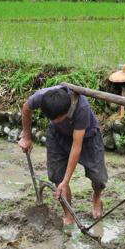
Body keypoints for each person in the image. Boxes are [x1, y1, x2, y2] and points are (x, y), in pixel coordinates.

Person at [18, 86, 108, 226]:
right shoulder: (41, 97)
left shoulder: (81, 108)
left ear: (67, 111)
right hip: (57, 135)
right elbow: (26, 108)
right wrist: (27, 137)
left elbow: (76, 147)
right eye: (51, 119)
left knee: (98, 177)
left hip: (87, 138)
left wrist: (66, 181)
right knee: (56, 176)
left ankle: (96, 197)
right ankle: (68, 214)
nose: (54, 121)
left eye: (58, 119)